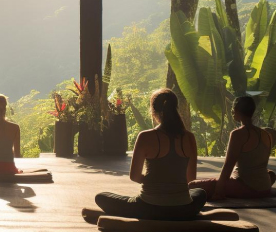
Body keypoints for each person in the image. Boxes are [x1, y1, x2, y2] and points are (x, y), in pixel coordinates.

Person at [95, 89, 207, 220]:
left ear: (153, 111)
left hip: (148, 208)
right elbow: (190, 178)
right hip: (183, 209)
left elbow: (135, 176)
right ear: (175, 108)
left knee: (101, 197)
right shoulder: (189, 137)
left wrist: (156, 181)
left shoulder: (145, 136)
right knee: (200, 193)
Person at [189, 96, 276, 200]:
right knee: (269, 173)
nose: (231, 112)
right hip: (265, 188)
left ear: (237, 110)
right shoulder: (266, 134)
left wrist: (218, 192)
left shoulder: (238, 134)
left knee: (192, 186)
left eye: (233, 109)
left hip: (247, 188)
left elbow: (228, 166)